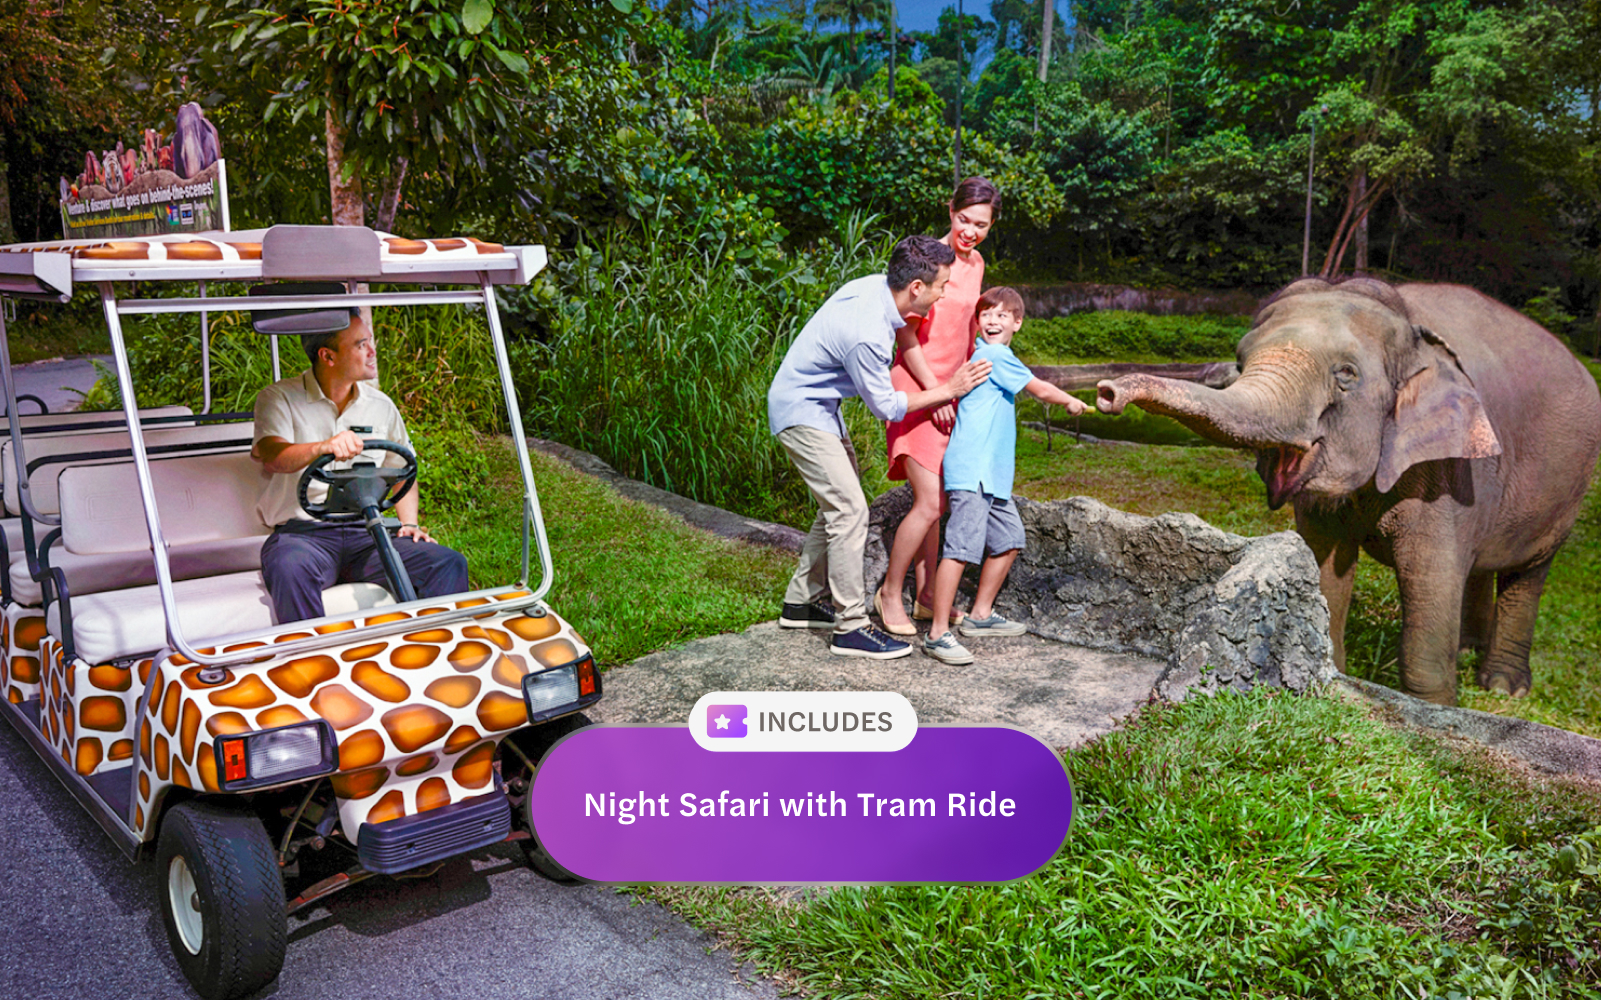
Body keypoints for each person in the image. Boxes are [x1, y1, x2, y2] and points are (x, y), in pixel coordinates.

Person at [768, 235, 992, 659]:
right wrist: (948, 390)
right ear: (916, 289)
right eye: (942, 286)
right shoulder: (867, 333)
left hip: (819, 407)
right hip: (801, 412)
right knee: (850, 510)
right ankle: (850, 626)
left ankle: (800, 602)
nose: (945, 293)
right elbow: (887, 407)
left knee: (837, 504)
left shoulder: (876, 286)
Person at [252, 312, 469, 624]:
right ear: (328, 356)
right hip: (303, 537)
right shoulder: (279, 398)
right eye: (361, 345)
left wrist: (410, 523)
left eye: (370, 342)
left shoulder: (381, 406)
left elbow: (402, 471)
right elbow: (272, 454)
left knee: (446, 562)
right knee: (290, 568)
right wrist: (322, 447)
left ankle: (436, 653)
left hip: (366, 533)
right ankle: (310, 665)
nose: (372, 351)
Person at [921, 286, 1088, 665]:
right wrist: (1070, 401)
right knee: (961, 549)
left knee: (1010, 538)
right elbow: (1039, 389)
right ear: (978, 323)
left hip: (991, 477)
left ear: (1018, 322)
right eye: (986, 314)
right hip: (972, 471)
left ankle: (980, 615)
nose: (993, 321)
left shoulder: (997, 355)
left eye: (1002, 315)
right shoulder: (994, 355)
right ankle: (937, 633)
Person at [875, 177, 1002, 636]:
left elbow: (968, 332)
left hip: (954, 390)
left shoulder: (979, 263)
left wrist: (967, 388)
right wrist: (939, 390)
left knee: (943, 501)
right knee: (929, 503)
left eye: (981, 224)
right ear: (950, 210)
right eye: (964, 219)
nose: (970, 231)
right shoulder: (928, 258)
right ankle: (892, 592)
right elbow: (904, 332)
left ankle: (929, 597)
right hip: (917, 385)